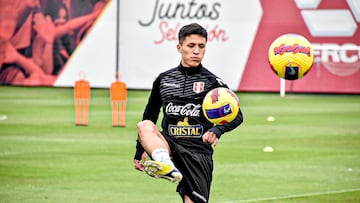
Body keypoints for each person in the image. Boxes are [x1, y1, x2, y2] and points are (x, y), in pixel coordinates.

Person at [133, 23, 244, 203]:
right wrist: (140, 151)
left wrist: (217, 130)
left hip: (197, 152)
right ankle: (165, 165)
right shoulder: (164, 79)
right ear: (179, 47)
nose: (196, 51)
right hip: (170, 144)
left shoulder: (212, 82)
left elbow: (237, 115)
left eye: (201, 46)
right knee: (144, 125)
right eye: (191, 46)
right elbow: (150, 115)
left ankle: (167, 167)